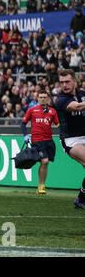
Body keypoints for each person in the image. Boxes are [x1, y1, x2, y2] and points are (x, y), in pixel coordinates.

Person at [54, 69, 85, 209]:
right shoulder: (61, 99)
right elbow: (76, 107)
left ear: (74, 81)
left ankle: (80, 199)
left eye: (67, 82)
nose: (64, 85)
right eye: (62, 83)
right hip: (71, 140)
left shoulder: (83, 95)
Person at [21, 90, 59, 194]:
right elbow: (23, 124)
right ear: (38, 99)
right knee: (44, 161)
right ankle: (42, 186)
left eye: (44, 97)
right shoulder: (32, 110)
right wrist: (25, 135)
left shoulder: (52, 112)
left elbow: (59, 124)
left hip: (49, 141)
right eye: (40, 97)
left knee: (46, 164)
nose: (42, 99)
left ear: (48, 99)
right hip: (37, 141)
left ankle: (40, 187)